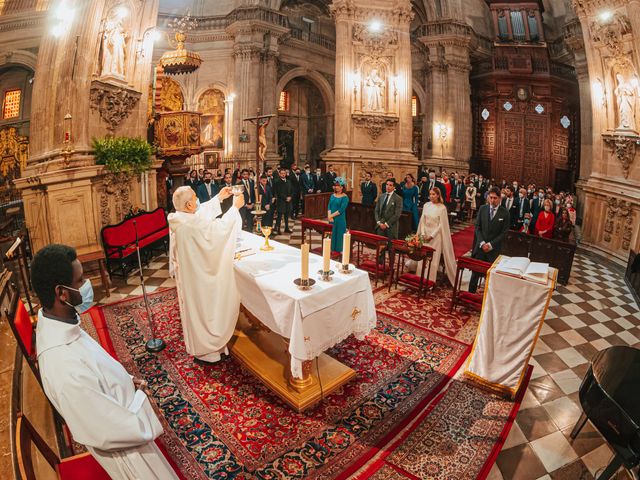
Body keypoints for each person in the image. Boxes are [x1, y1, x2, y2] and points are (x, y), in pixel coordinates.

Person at [31, 244, 179, 479]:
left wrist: (128, 382)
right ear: (62, 293)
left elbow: (97, 368)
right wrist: (143, 403)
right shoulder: (61, 365)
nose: (87, 285)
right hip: (129, 460)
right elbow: (111, 430)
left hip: (131, 438)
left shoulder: (63, 324)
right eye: (80, 280)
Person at [169, 186, 243, 363]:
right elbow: (218, 230)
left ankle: (207, 348)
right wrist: (234, 208)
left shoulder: (178, 219)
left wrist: (218, 198)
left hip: (191, 275)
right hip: (200, 276)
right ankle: (208, 351)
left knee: (196, 310)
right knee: (206, 308)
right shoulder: (191, 224)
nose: (197, 201)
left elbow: (198, 216)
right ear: (188, 204)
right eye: (195, 198)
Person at [411, 188, 456, 286]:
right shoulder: (426, 205)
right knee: (422, 257)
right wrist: (422, 233)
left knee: (433, 261)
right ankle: (419, 279)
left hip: (435, 237)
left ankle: (430, 282)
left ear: (438, 195)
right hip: (424, 234)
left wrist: (432, 236)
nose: (431, 196)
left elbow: (441, 225)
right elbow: (422, 220)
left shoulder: (442, 208)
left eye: (434, 194)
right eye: (430, 194)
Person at [469, 187, 510, 293]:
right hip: (480, 248)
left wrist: (491, 245)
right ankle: (470, 294)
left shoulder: (505, 213)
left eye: (495, 198)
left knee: (490, 277)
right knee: (475, 275)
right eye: (490, 197)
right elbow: (477, 228)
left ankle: (486, 301)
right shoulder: (483, 209)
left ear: (500, 198)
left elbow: (504, 233)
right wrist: (482, 243)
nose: (492, 200)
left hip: (493, 250)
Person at [375, 179, 404, 261]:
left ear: (394, 187)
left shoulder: (398, 198)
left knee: (391, 249)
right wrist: (379, 222)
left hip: (391, 227)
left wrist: (386, 224)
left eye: (390, 185)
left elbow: (397, 215)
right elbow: (376, 211)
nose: (388, 186)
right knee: (380, 248)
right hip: (380, 226)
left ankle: (390, 268)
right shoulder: (381, 196)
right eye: (387, 184)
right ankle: (380, 265)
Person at [328, 178, 349, 253]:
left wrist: (331, 216)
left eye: (338, 186)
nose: (336, 187)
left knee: (339, 236)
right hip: (332, 219)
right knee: (332, 236)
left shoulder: (345, 197)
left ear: (342, 187)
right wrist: (329, 216)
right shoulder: (332, 195)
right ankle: (331, 251)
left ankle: (339, 253)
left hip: (340, 220)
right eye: (335, 185)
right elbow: (329, 206)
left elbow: (341, 210)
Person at [273, 167, 293, 234]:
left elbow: (292, 190)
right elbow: (278, 192)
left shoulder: (288, 181)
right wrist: (285, 198)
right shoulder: (277, 181)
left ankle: (286, 228)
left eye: (284, 173)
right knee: (279, 216)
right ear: (279, 174)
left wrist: (290, 197)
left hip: (288, 201)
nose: (283, 174)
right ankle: (278, 229)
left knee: (287, 216)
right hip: (281, 201)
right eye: (282, 173)